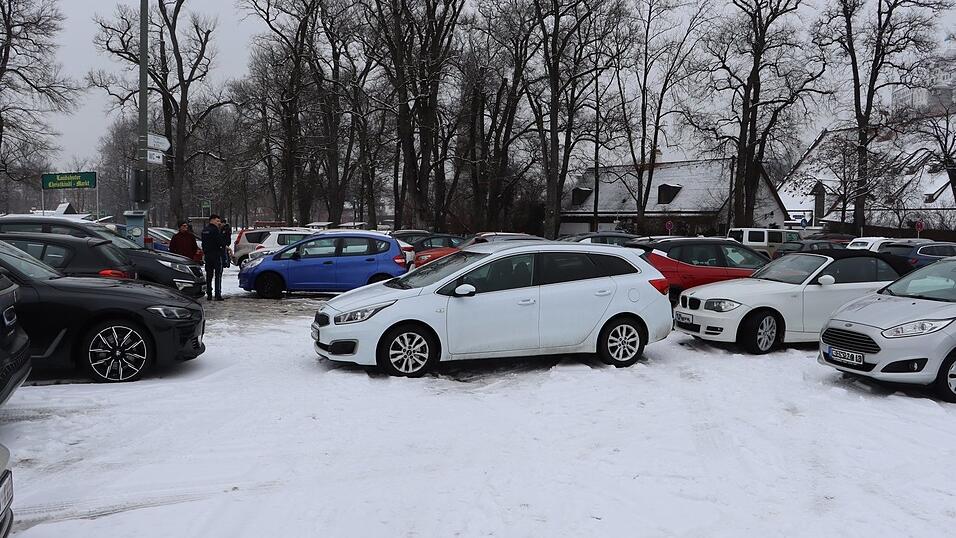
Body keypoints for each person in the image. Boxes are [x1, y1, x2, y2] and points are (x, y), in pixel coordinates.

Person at [201, 214, 228, 301]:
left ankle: (209, 294)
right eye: (217, 221)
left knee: (209, 275)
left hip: (208, 255)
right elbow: (220, 242)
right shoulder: (215, 230)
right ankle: (217, 294)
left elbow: (203, 243)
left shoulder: (204, 230)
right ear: (212, 220)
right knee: (218, 275)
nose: (219, 223)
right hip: (216, 255)